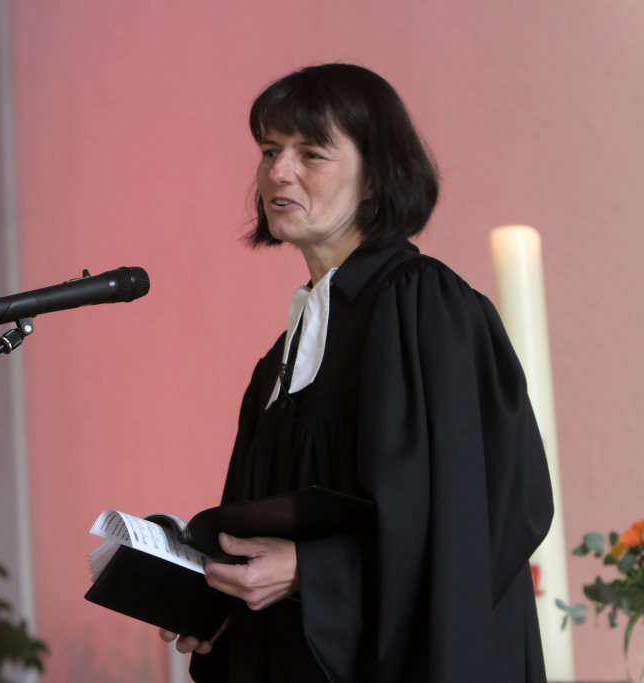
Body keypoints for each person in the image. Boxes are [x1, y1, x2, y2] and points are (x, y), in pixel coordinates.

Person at [159, 64, 554, 682]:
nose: (278, 172)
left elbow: (485, 517)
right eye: (270, 151)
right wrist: (219, 602)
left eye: (311, 153)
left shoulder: (424, 306)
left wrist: (312, 572)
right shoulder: (281, 357)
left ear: (375, 179)